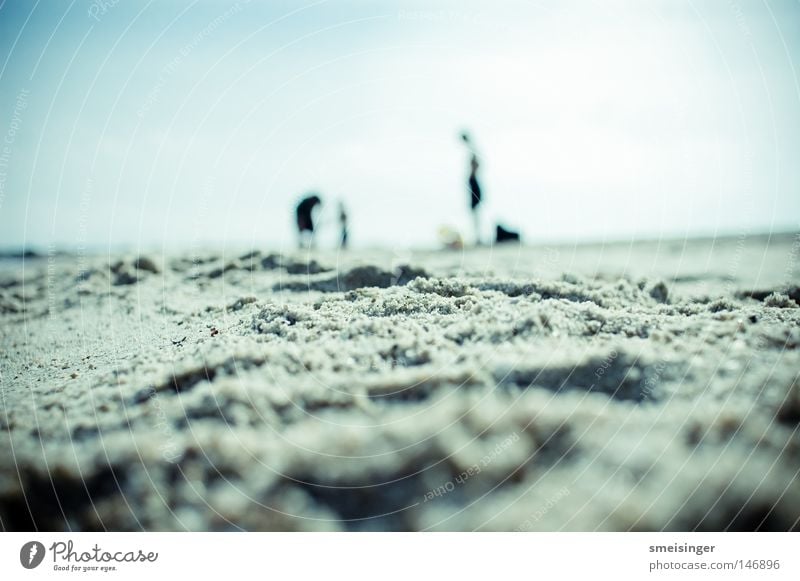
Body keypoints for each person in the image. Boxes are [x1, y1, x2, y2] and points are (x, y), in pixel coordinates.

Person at [461, 131, 483, 245]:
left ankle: (478, 237)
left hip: (474, 182)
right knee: (474, 212)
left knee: (475, 212)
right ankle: (477, 236)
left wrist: (473, 174)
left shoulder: (473, 152)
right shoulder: (472, 151)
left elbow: (477, 162)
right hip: (473, 182)